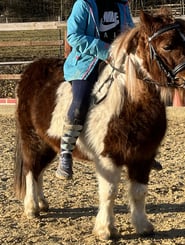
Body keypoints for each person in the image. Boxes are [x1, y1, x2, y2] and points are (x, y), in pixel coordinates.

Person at [55, 0, 136, 180]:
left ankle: (139, 151)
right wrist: (105, 50)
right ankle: (66, 152)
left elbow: (130, 34)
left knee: (139, 96)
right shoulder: (84, 5)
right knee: (80, 102)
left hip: (117, 63)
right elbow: (74, 36)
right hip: (86, 63)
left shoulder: (122, 6)